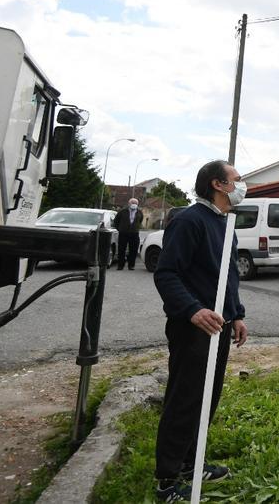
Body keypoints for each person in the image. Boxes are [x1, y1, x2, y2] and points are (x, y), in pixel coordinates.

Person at [151, 160, 249, 502]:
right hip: (192, 327)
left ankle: (193, 464)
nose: (242, 184)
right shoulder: (190, 220)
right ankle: (167, 479)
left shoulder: (226, 223)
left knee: (208, 397)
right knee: (185, 399)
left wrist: (236, 314)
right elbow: (166, 274)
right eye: (237, 179)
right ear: (218, 184)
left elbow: (227, 276)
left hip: (219, 326)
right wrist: (193, 310)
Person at [113, 197, 143, 270]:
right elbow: (116, 221)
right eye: (133, 203)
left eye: (135, 203)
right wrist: (120, 229)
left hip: (134, 234)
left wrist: (136, 228)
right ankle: (120, 265)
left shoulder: (139, 212)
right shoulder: (122, 211)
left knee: (133, 250)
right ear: (129, 204)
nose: (134, 205)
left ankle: (131, 265)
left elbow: (140, 221)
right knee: (121, 249)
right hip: (123, 233)